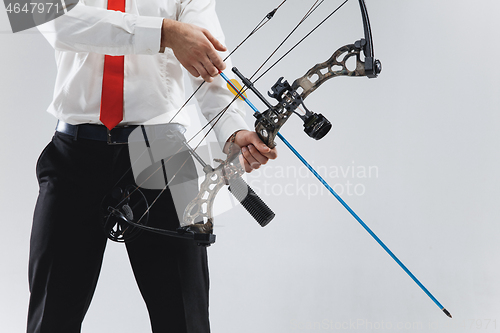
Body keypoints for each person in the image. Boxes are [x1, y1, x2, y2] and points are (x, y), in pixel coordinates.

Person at [29, 0, 277, 332]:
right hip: (75, 152)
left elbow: (209, 58)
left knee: (183, 319)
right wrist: (164, 33)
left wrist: (231, 129)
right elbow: (55, 22)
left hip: (162, 155)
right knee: (51, 317)